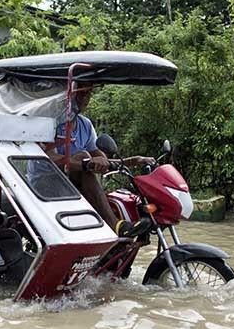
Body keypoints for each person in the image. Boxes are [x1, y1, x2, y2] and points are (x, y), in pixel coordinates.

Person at [43, 83, 153, 235]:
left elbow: (99, 157)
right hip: (45, 184)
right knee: (84, 157)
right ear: (68, 96)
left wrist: (133, 160)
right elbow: (51, 159)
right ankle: (115, 224)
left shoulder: (85, 124)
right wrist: (86, 164)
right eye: (81, 94)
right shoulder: (51, 122)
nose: (86, 98)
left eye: (88, 94)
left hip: (73, 184)